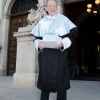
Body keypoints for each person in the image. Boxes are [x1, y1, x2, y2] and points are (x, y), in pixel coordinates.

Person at [31, 0, 77, 100]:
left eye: (54, 6)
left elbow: (69, 37)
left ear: (56, 7)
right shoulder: (41, 22)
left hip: (59, 53)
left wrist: (62, 43)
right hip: (45, 54)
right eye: (50, 6)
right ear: (46, 8)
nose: (52, 8)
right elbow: (36, 39)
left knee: (61, 81)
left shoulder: (64, 19)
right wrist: (39, 44)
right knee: (45, 81)